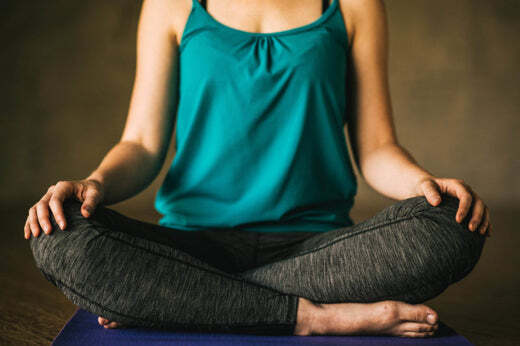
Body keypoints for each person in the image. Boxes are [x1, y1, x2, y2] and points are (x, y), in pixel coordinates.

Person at [25, 0, 491, 338]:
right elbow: (142, 144)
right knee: (58, 237)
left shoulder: (355, 6)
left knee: (452, 222)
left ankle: (175, 302)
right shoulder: (169, 6)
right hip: (191, 247)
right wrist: (95, 184)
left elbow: (376, 148)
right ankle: (318, 318)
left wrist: (422, 183)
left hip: (319, 251)